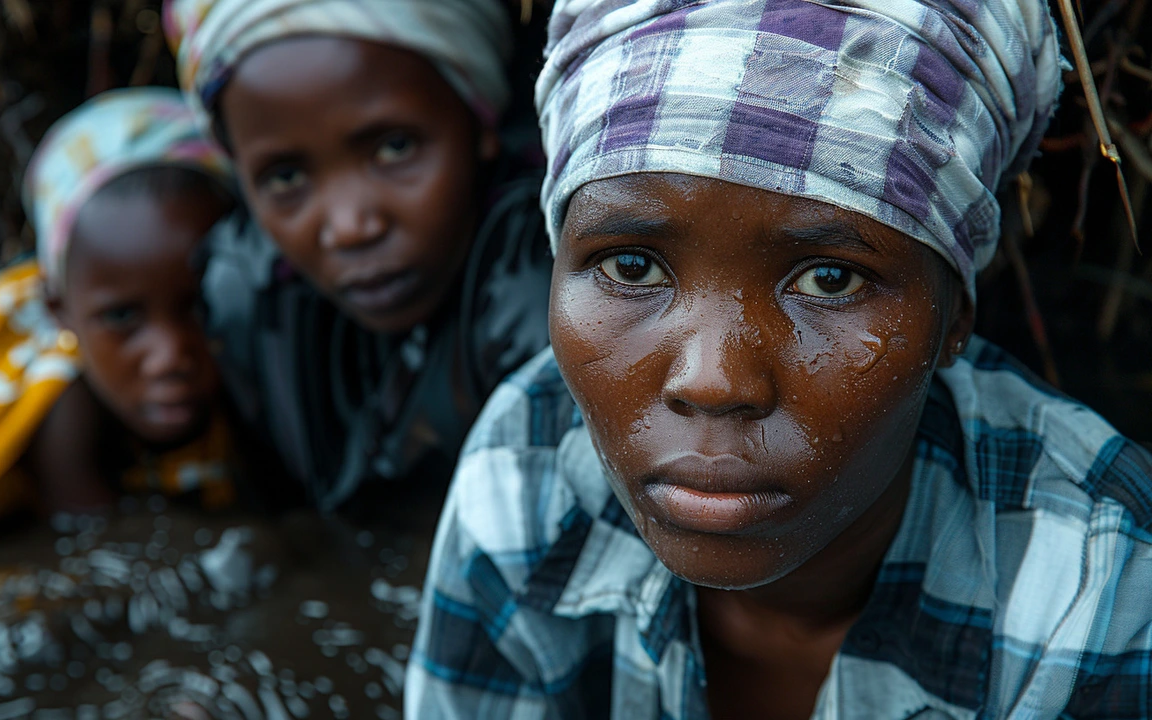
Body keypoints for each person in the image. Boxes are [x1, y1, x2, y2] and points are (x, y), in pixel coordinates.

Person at [407, 1, 1152, 718]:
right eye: (631, 267)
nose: (713, 379)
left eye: (831, 279)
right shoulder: (524, 477)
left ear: (954, 314)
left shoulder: (1096, 593)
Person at [164, 0, 553, 512]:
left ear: (480, 118)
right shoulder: (249, 294)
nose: (349, 228)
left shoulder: (540, 292)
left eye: (394, 148)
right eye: (285, 178)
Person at [0, 88, 237, 546]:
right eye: (122, 316)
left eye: (199, 307)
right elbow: (94, 544)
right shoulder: (62, 404)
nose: (169, 355)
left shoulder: (261, 333)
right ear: (58, 311)